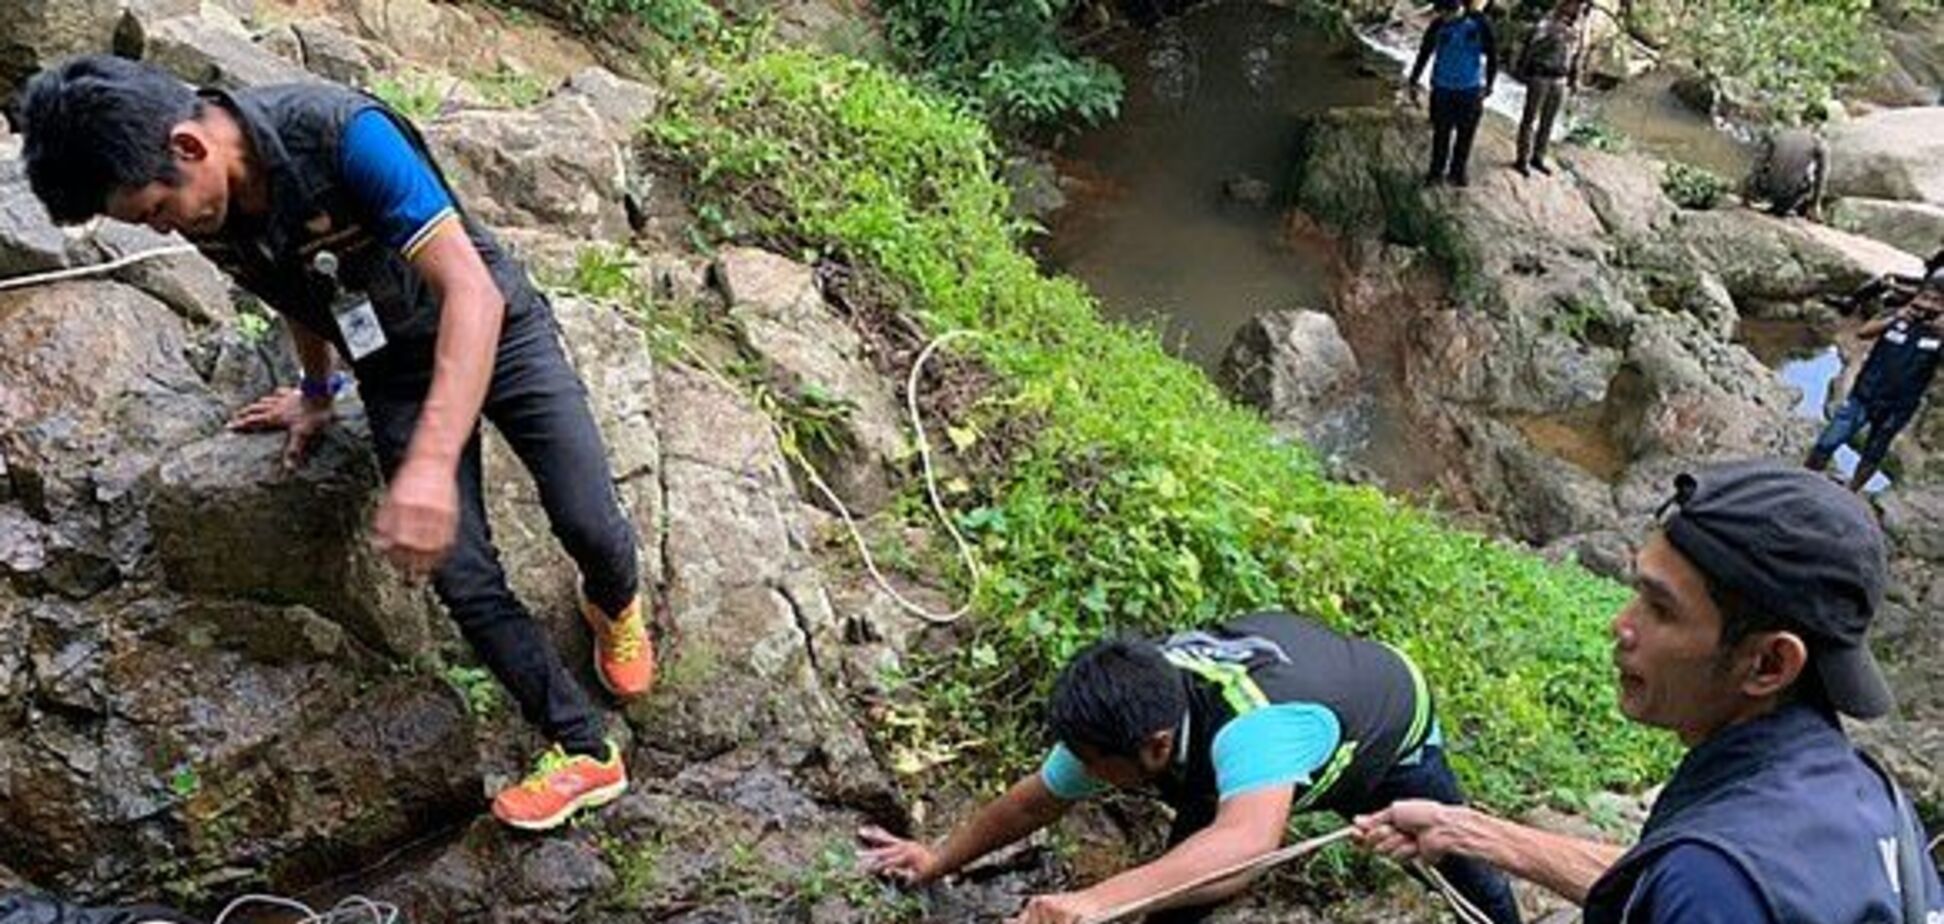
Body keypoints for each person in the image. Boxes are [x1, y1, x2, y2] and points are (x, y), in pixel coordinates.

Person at [18, 55, 653, 831]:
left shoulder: (344, 134)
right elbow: (294, 292)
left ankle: (613, 600)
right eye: (149, 223)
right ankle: (583, 749)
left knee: (584, 515)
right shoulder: (209, 205)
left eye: (157, 211)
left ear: (188, 145)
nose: (166, 228)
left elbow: (471, 292)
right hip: (391, 369)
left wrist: (427, 465)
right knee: (460, 571)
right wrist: (317, 393)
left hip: (498, 328)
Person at [1356, 461, 1944, 922]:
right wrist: (1470, 831)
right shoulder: (1861, 795)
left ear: (1768, 663)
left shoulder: (1716, 877)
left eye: (1660, 607)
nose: (1622, 625)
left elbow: (1703, 887)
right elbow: (1672, 884)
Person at [858, 611, 1523, 924]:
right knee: (1172, 900)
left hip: (1387, 734)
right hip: (1260, 754)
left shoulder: (1254, 732)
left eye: (1095, 767)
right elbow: (1035, 802)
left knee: (1467, 870)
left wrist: (1092, 902)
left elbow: (1244, 846)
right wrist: (936, 859)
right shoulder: (1131, 708)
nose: (1082, 775)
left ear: (1152, 747)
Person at [1805, 272, 1944, 491]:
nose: (1927, 304)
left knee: (1874, 451)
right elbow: (1863, 333)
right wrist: (1897, 317)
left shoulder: (1939, 333)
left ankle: (1852, 490)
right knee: (1829, 440)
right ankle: (1806, 478)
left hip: (1898, 406)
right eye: (1925, 297)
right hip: (1864, 394)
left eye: (1936, 301)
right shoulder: (1897, 314)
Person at [1408, 0, 1499, 188]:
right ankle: (1436, 172)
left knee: (1466, 134)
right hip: (1442, 88)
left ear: (1457, 9)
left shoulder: (1480, 23)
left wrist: (1490, 84)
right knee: (1441, 132)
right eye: (1440, 14)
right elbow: (1425, 52)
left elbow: (1492, 55)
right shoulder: (1438, 25)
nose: (1443, 18)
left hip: (1470, 88)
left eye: (1445, 14)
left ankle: (1458, 171)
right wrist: (1414, 79)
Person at [1512, 0, 1588, 177]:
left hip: (1560, 79)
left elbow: (1577, 54)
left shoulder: (1578, 27)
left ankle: (1538, 157)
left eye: (1583, 8)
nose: (1579, 10)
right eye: (1578, 6)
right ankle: (1522, 159)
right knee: (1530, 119)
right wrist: (1556, 37)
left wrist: (1576, 78)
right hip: (1541, 76)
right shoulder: (1548, 22)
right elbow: (1532, 47)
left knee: (1548, 121)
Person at [1741, 126, 1829, 220]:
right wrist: (1816, 204)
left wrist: (1747, 193)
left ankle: (1762, 199)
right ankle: (1785, 208)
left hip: (1766, 189)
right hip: (1789, 196)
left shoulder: (1780, 134)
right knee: (1810, 178)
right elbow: (1821, 177)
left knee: (1766, 164)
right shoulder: (1818, 143)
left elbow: (1757, 164)